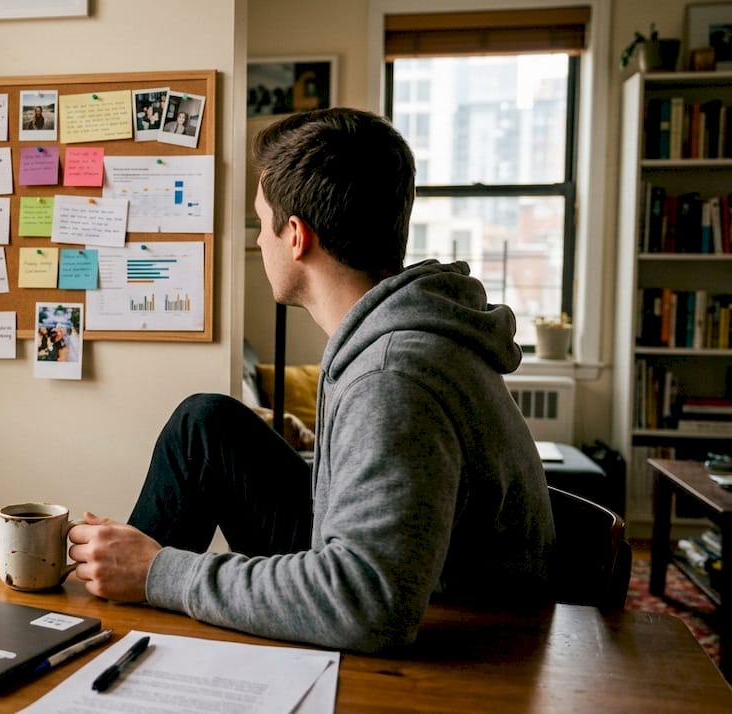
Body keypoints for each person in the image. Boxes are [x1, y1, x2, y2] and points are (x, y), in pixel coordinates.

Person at [68, 107, 555, 654]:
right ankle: (119, 599)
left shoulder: (393, 375)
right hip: (415, 576)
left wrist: (161, 571)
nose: (258, 242)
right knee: (205, 424)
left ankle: (120, 608)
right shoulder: (405, 336)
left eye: (260, 223)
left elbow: (368, 605)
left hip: (453, 634)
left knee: (163, 547)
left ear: (296, 236)